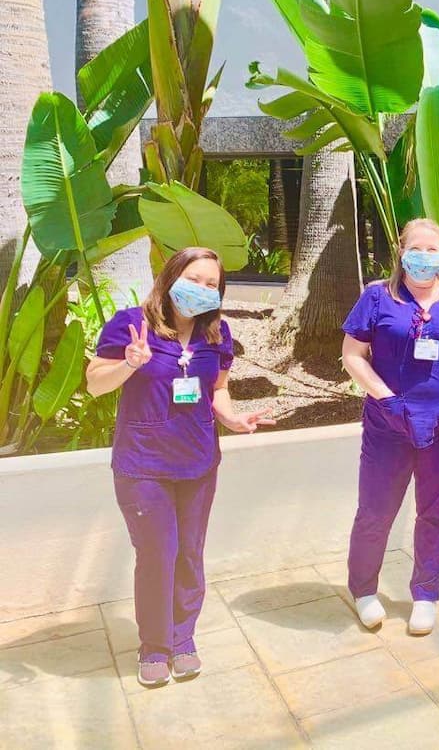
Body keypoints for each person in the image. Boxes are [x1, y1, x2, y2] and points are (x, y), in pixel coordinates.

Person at [87, 247, 274, 688]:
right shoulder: (131, 323)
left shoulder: (217, 334)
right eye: (194, 278)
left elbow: (218, 391)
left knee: (189, 554)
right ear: (171, 277)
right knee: (157, 555)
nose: (202, 289)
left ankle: (182, 637)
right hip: (143, 465)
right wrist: (128, 365)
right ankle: (154, 646)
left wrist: (232, 418)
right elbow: (95, 383)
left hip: (198, 462)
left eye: (213, 284)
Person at [342, 219, 439, 636]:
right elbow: (352, 353)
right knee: (375, 511)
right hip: (388, 423)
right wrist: (383, 395)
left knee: (435, 512)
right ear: (401, 251)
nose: (425, 257)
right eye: (417, 248)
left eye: (433, 249)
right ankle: (363, 590)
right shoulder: (377, 296)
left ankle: (426, 593)